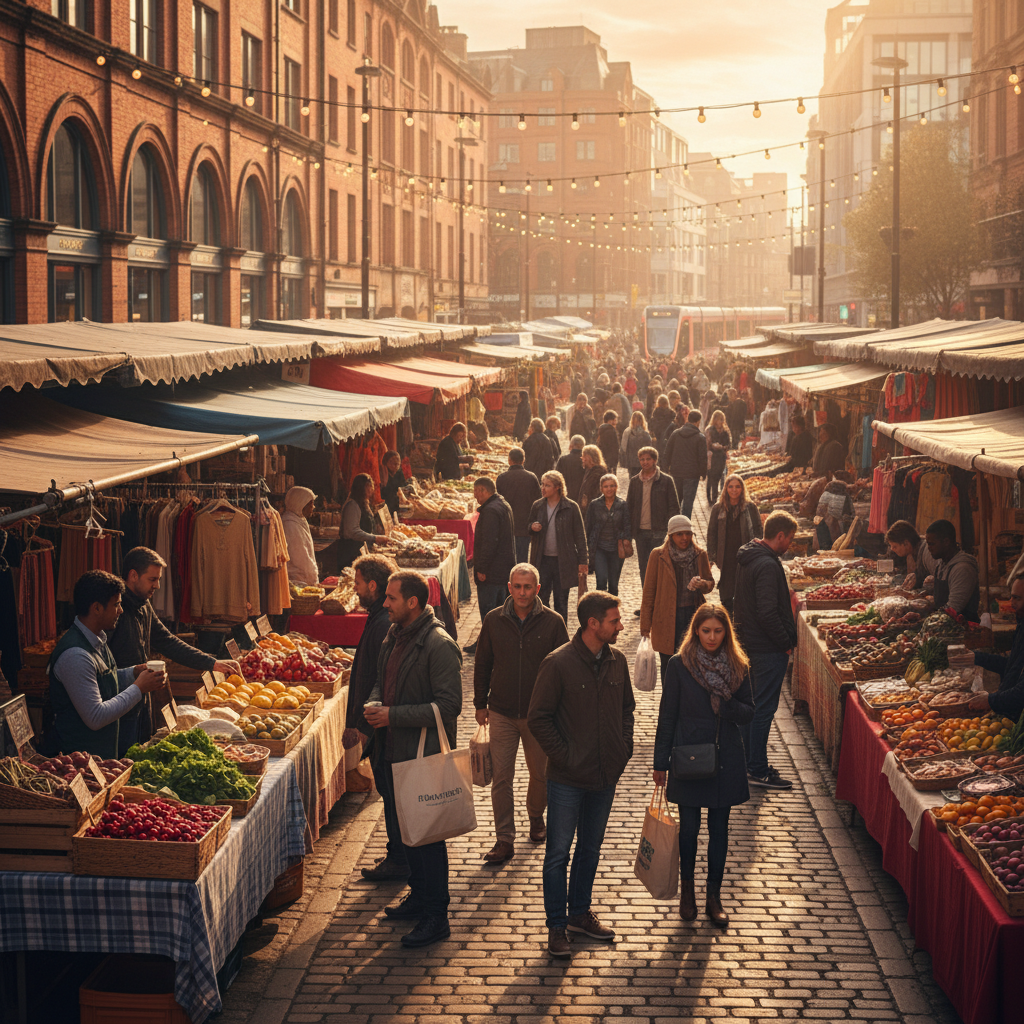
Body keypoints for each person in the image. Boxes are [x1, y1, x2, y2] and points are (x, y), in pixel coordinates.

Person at [528, 591, 635, 958]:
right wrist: (567, 756)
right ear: (593, 624)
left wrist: (623, 750)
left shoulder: (617, 661)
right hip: (567, 779)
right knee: (558, 853)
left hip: (605, 775)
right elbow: (538, 718)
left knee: (590, 849)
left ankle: (579, 914)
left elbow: (627, 711)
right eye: (614, 621)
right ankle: (556, 926)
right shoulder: (557, 664)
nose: (620, 626)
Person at [364, 570, 462, 949]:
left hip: (423, 757)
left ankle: (436, 916)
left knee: (428, 839)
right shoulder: (395, 634)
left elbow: (449, 706)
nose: (384, 603)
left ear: (412, 603)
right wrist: (376, 703)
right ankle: (419, 896)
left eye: (390, 598)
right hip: (394, 752)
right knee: (409, 836)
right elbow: (380, 679)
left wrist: (393, 715)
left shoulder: (438, 645)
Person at [653, 603, 754, 926]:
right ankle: (687, 892)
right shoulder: (679, 666)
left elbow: (749, 712)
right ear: (696, 630)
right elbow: (667, 715)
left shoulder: (739, 665)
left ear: (727, 633)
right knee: (690, 830)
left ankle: (714, 895)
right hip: (689, 756)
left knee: (719, 830)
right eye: (706, 630)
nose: (712, 637)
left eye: (718, 631)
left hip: (725, 757)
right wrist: (660, 763)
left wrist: (726, 705)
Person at [474, 563, 570, 863]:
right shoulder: (493, 620)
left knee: (540, 775)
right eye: (517, 586)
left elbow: (564, 669)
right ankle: (504, 839)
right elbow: (482, 662)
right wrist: (480, 703)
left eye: (528, 587)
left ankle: (536, 817)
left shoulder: (553, 622)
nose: (522, 592)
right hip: (501, 711)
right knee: (502, 777)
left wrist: (562, 710)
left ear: (537, 589)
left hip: (538, 715)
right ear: (509, 587)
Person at [108, 547, 241, 755]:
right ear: (133, 576)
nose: (157, 586)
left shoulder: (143, 605)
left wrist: (212, 663)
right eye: (152, 579)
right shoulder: (114, 610)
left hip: (141, 699)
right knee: (122, 756)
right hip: (116, 702)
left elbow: (168, 642)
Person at [47, 570, 167, 759]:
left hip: (99, 757)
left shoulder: (97, 639)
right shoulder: (76, 655)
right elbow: (96, 716)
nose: (120, 610)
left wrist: (133, 673)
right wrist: (138, 688)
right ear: (96, 608)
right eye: (116, 604)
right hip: (77, 763)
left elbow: (98, 682)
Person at [733, 511, 799, 791]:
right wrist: (785, 642)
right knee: (762, 709)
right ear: (780, 535)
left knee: (753, 707)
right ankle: (757, 769)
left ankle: (749, 763)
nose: (790, 545)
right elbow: (767, 612)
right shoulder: (768, 565)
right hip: (766, 649)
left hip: (751, 644)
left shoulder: (750, 558)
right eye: (790, 539)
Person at [343, 553, 400, 846]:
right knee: (388, 791)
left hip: (380, 724)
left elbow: (376, 678)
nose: (355, 588)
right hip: (378, 720)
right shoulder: (378, 617)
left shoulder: (381, 623)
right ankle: (397, 854)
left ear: (373, 586)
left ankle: (398, 856)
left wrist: (359, 723)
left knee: (390, 792)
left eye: (358, 583)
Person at [640, 515, 715, 682]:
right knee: (668, 665)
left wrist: (702, 583)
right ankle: (669, 703)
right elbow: (649, 592)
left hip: (692, 616)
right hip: (666, 618)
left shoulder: (699, 554)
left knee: (692, 662)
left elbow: (710, 583)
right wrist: (645, 627)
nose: (684, 538)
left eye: (688, 533)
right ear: (671, 535)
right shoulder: (658, 555)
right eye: (679, 534)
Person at [528, 470, 588, 623]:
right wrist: (532, 527)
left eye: (547, 485)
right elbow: (528, 528)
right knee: (541, 599)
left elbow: (580, 536)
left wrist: (583, 561)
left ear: (557, 487)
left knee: (561, 601)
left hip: (564, 561)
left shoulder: (571, 507)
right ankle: (544, 630)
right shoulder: (538, 505)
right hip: (542, 560)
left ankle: (561, 633)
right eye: (542, 484)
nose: (543, 488)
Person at [465, 477, 516, 653]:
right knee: (499, 609)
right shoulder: (502, 504)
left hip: (492, 571)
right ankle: (494, 642)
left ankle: (487, 644)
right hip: (502, 569)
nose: (474, 495)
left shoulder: (491, 511)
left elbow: (489, 542)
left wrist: (482, 568)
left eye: (476, 491)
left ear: (482, 490)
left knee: (489, 610)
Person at [706, 475, 763, 617]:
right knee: (726, 586)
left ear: (742, 489)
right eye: (730, 486)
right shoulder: (718, 508)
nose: (734, 490)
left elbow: (758, 530)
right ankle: (727, 614)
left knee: (744, 585)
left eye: (737, 486)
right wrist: (711, 556)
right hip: (725, 554)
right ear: (726, 488)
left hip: (745, 552)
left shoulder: (750, 508)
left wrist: (758, 551)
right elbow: (712, 533)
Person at [627, 446, 680, 595]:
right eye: (642, 459)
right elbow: (629, 507)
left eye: (648, 459)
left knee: (660, 567)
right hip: (641, 532)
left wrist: (672, 531)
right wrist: (629, 533)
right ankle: (648, 601)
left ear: (655, 460)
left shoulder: (666, 481)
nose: (645, 462)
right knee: (644, 568)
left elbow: (674, 507)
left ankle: (660, 601)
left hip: (659, 531)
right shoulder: (635, 481)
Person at [969, 576, 1024, 717]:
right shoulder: (1021, 625)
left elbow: (1021, 692)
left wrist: (991, 700)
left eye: (1017, 598)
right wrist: (975, 657)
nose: (1012, 604)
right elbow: (1012, 667)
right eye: (1011, 597)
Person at [915, 518, 981, 621]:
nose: (928, 548)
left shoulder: (962, 569)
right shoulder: (941, 565)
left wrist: (925, 621)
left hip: (962, 631)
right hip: (944, 628)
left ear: (946, 542)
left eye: (932, 544)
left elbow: (953, 609)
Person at [586, 474, 630, 596]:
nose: (609, 489)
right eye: (606, 486)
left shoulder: (622, 504)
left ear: (616, 487)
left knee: (613, 584)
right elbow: (588, 527)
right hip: (599, 548)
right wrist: (587, 548)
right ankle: (600, 610)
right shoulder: (594, 505)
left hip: (616, 549)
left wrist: (625, 539)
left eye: (612, 486)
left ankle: (613, 611)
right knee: (600, 581)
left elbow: (627, 525)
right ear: (601, 488)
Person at [497, 448, 542, 564]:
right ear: (523, 460)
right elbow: (538, 501)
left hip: (507, 525)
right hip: (525, 526)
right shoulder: (531, 477)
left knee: (507, 560)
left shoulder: (502, 478)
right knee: (522, 559)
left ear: (509, 460)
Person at [664, 410, 707, 519]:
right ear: (698, 422)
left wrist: (665, 468)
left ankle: (674, 524)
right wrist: (703, 473)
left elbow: (667, 452)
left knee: (676, 501)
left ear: (688, 419)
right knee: (688, 503)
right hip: (692, 474)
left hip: (676, 472)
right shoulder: (700, 437)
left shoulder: (676, 433)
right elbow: (702, 457)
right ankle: (685, 526)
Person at [282, 485, 319, 588]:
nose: (313, 507)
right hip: (297, 581)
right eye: (311, 504)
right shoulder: (290, 524)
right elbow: (300, 559)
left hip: (303, 580)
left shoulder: (299, 520)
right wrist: (312, 578)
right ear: (300, 504)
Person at [339, 473, 377, 571]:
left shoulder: (364, 503)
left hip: (362, 551)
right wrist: (375, 538)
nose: (370, 489)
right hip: (351, 553)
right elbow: (351, 532)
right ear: (360, 488)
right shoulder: (352, 505)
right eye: (367, 486)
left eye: (371, 486)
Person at [704, 410, 731, 505]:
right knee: (712, 478)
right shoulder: (710, 430)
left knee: (718, 477)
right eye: (720, 419)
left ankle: (713, 497)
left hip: (721, 457)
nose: (722, 422)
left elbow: (729, 444)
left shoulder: (725, 432)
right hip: (712, 457)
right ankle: (712, 498)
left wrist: (723, 447)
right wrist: (712, 446)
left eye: (723, 419)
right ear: (715, 420)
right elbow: (707, 444)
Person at [620, 411, 652, 476]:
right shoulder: (645, 434)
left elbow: (623, 448)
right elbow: (650, 450)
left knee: (632, 480)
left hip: (631, 463)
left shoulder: (627, 432)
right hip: (643, 462)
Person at [556, 435, 586, 503]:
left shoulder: (563, 460)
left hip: (566, 495)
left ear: (571, 446)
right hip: (581, 497)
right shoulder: (585, 460)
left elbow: (557, 478)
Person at [577, 445, 606, 513]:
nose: (582, 458)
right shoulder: (589, 471)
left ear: (589, 457)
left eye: (584, 456)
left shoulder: (599, 472)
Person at [381, 451, 409, 516]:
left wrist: (404, 499)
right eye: (392, 463)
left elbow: (401, 488)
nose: (396, 466)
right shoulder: (383, 474)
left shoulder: (399, 473)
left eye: (398, 463)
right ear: (386, 462)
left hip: (396, 505)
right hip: (385, 505)